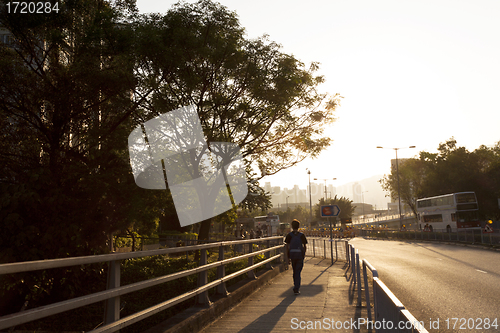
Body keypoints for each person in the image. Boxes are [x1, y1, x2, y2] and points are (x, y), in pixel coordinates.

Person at [285, 219, 307, 295]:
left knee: (295, 272)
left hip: (292, 256)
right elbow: (304, 246)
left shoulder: (289, 235)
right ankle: (296, 288)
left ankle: (295, 286)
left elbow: (287, 247)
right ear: (299, 227)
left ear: (292, 226)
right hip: (299, 256)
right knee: (298, 272)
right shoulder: (302, 235)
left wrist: (288, 258)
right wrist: (303, 255)